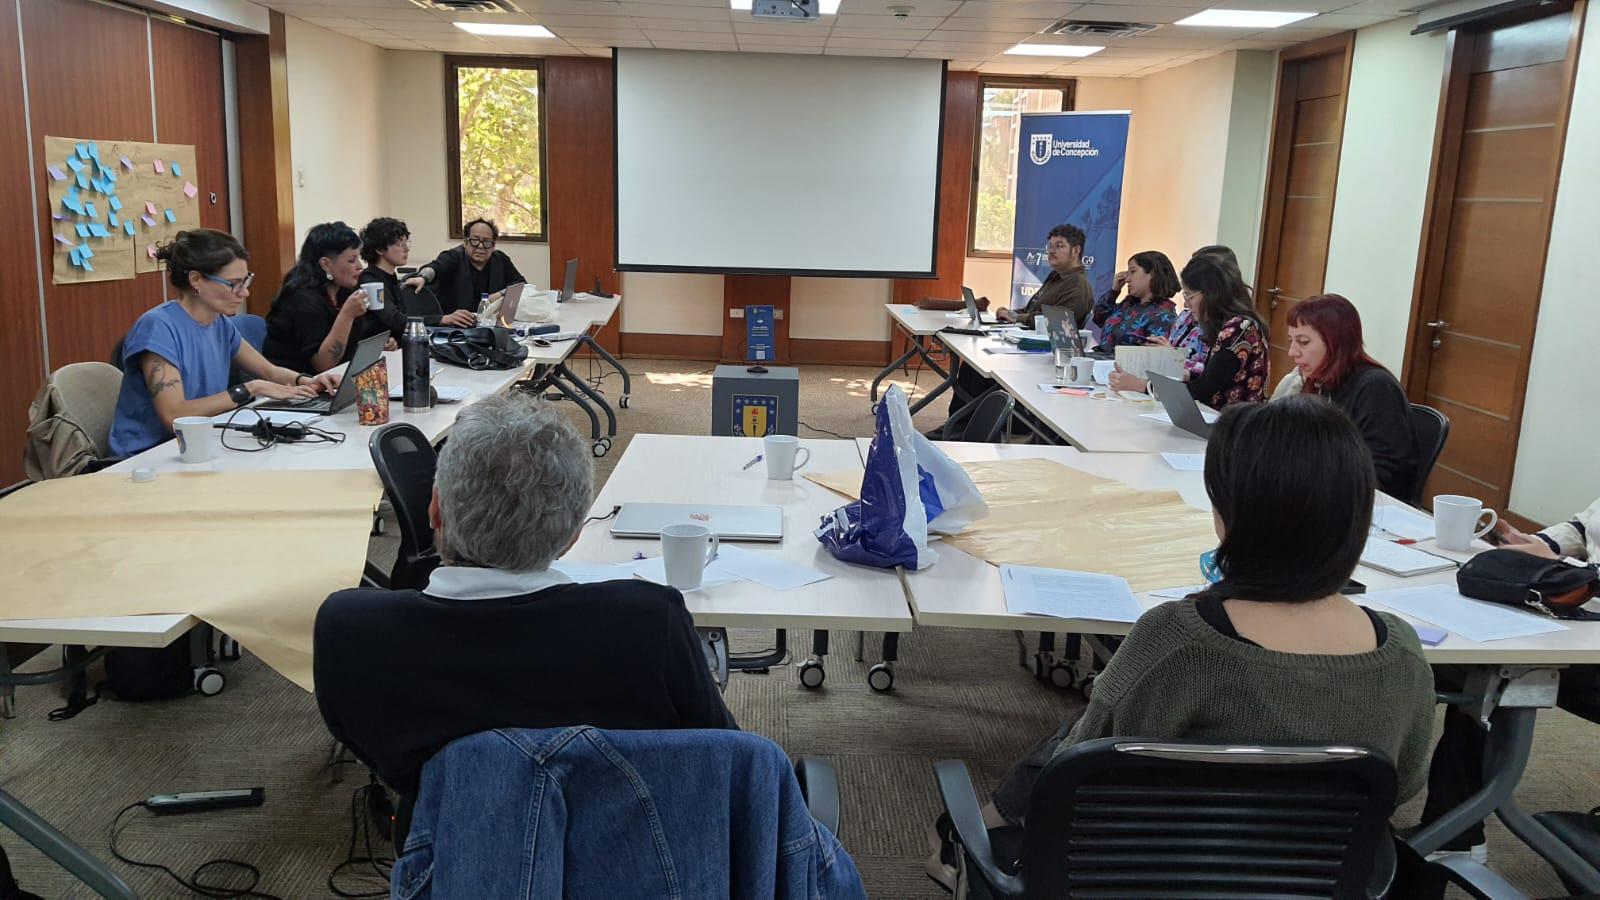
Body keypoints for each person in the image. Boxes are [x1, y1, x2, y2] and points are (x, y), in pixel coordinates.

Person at [927, 397, 1437, 890]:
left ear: (1229, 513)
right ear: (1356, 515)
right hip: (1318, 878)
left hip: (1145, 875)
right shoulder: (1402, 657)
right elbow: (1403, 785)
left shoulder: (1181, 642)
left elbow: (1084, 768)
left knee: (1074, 736)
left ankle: (965, 837)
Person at [314, 392, 736, 834]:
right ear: (574, 535)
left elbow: (369, 742)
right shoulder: (647, 622)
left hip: (451, 843)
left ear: (435, 510)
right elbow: (725, 751)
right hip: (621, 839)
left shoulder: (350, 630)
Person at [108, 229, 341, 458]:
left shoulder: (219, 323)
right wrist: (251, 389)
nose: (245, 293)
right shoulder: (157, 327)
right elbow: (174, 416)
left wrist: (307, 381)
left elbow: (268, 371)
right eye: (233, 283)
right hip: (146, 457)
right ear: (196, 280)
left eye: (246, 281)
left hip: (197, 445)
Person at [1278, 294, 1417, 499]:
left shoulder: (1376, 387)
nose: (1292, 352)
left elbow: (1383, 473)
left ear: (1335, 343)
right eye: (1291, 341)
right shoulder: (1318, 382)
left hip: (1364, 504)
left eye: (1303, 342)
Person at [1109, 253, 1268, 409]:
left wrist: (1142, 385)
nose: (1185, 304)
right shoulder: (1224, 325)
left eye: (1189, 296)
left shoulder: (1239, 328)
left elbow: (1203, 388)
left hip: (1230, 421)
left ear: (1211, 294)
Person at [263, 222, 404, 374]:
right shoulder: (302, 298)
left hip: (334, 377)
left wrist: (377, 348)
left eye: (358, 258)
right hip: (294, 381)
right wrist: (347, 314)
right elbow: (324, 365)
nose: (359, 266)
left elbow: (350, 346)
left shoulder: (343, 291)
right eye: (352, 260)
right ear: (326, 264)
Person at [402, 218, 525, 327]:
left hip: (490, 325)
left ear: (493, 245)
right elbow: (434, 268)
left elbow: (521, 284)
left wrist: (500, 294)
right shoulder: (453, 257)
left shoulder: (500, 260)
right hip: (453, 328)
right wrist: (422, 277)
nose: (480, 246)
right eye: (474, 240)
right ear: (465, 242)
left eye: (487, 242)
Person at [995, 224, 1093, 329]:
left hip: (1043, 339)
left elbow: (1058, 322)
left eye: (1059, 246)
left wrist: (1017, 318)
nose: (1051, 251)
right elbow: (1032, 310)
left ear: (1076, 251)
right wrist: (1009, 313)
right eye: (1050, 246)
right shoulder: (1055, 276)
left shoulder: (1077, 284)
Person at [1091, 250, 1179, 347]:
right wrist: (1114, 291)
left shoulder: (1163, 315)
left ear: (1152, 274)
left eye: (1133, 272)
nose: (1127, 279)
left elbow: (1151, 352)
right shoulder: (1129, 304)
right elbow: (1099, 318)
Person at [357, 216, 413, 319]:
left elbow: (403, 316)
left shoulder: (391, 276)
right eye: (399, 244)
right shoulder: (370, 280)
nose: (406, 249)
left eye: (406, 242)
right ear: (380, 249)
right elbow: (392, 318)